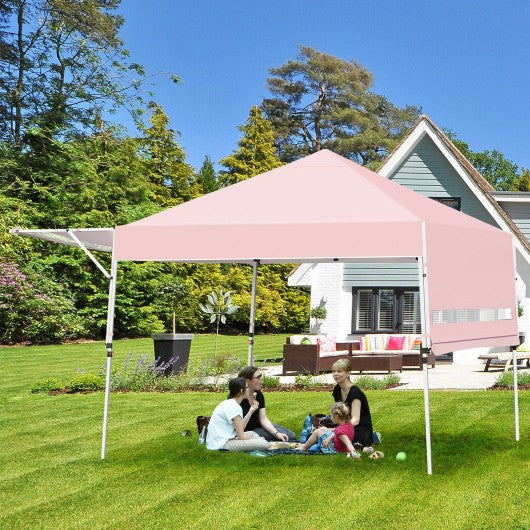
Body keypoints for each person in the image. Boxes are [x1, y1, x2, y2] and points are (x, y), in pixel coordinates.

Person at [311, 358, 374, 448]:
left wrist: (335, 430)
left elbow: (355, 420)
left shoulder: (355, 392)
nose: (335, 374)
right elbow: (339, 414)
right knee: (317, 432)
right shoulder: (337, 389)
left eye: (339, 371)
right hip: (343, 428)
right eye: (334, 371)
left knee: (322, 434)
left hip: (360, 432)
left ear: (348, 373)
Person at [206, 377, 271, 452]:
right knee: (264, 444)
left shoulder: (230, 403)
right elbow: (241, 436)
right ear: (241, 391)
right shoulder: (235, 407)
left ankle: (256, 444)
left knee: (252, 434)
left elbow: (240, 428)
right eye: (247, 387)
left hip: (224, 439)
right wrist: (257, 441)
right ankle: (258, 444)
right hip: (222, 444)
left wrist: (251, 411)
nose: (249, 389)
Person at [238, 366, 297, 442]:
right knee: (287, 438)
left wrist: (276, 433)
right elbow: (237, 427)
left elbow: (263, 420)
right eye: (258, 378)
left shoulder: (258, 394)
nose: (261, 381)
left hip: (259, 425)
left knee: (291, 435)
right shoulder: (238, 397)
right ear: (248, 381)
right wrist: (251, 410)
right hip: (247, 430)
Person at [296, 402, 360, 459]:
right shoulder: (348, 424)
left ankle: (303, 448)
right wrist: (328, 436)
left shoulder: (340, 431)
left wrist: (354, 453)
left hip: (334, 450)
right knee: (323, 429)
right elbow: (337, 431)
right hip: (338, 445)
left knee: (317, 432)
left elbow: (348, 443)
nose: (330, 417)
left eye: (331, 415)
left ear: (336, 417)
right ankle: (306, 445)